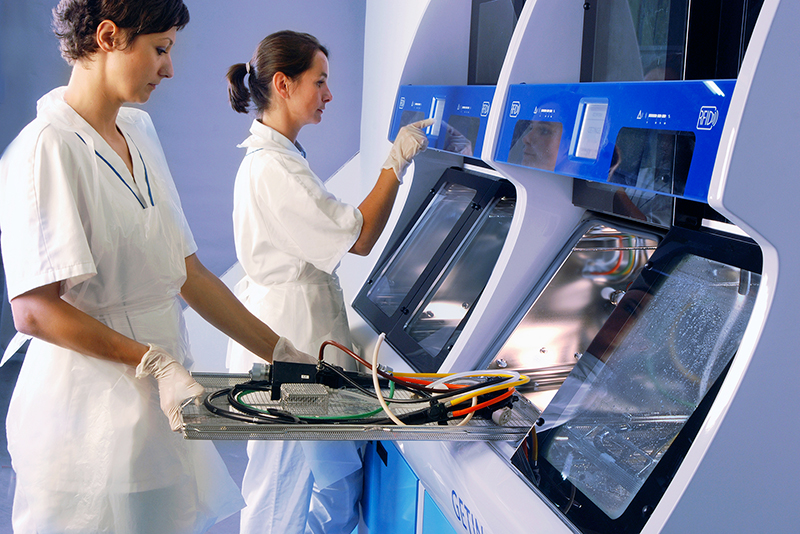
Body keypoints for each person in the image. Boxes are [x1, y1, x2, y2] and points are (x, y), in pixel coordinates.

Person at [0, 2, 312, 532]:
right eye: (160, 49)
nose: (169, 69)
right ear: (108, 37)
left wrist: (283, 355)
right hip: (85, 416)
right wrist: (154, 362)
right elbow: (33, 310)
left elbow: (186, 272)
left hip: (159, 410)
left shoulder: (139, 132)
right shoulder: (44, 148)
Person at [224, 30, 432, 534]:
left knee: (330, 487)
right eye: (319, 82)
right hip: (290, 347)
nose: (329, 95)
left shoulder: (283, 158)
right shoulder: (273, 169)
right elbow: (356, 237)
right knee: (279, 496)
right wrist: (393, 162)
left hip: (302, 345)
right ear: (284, 84)